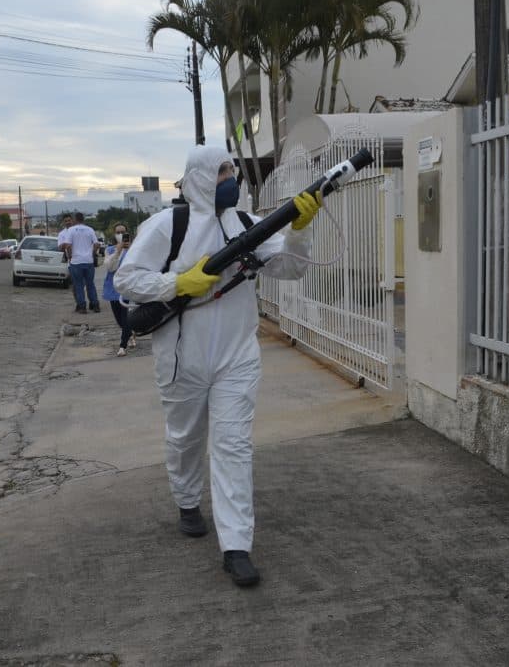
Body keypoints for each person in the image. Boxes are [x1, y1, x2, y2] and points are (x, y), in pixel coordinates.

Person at [114, 146, 321, 587]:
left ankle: (236, 545)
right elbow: (126, 279)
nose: (231, 178)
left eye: (232, 169)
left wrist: (300, 231)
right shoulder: (169, 225)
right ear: (201, 178)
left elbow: (290, 269)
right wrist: (178, 282)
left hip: (237, 356)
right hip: (181, 358)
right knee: (185, 438)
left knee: (233, 447)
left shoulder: (245, 223)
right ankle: (187, 500)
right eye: (222, 171)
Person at [102, 222, 136, 357]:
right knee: (119, 320)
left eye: (123, 232)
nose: (121, 235)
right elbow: (110, 267)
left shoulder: (134, 249)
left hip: (127, 287)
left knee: (125, 317)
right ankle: (130, 333)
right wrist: (118, 250)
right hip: (113, 288)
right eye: (118, 232)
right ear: (114, 234)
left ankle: (123, 346)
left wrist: (130, 248)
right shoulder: (110, 250)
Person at [61, 212, 100, 313]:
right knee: (90, 284)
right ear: (83, 219)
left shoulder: (71, 230)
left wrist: (70, 256)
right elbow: (96, 244)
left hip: (76, 262)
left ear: (75, 219)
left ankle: (82, 307)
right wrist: (92, 254)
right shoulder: (90, 229)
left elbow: (68, 246)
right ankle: (95, 305)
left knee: (78, 285)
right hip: (88, 261)